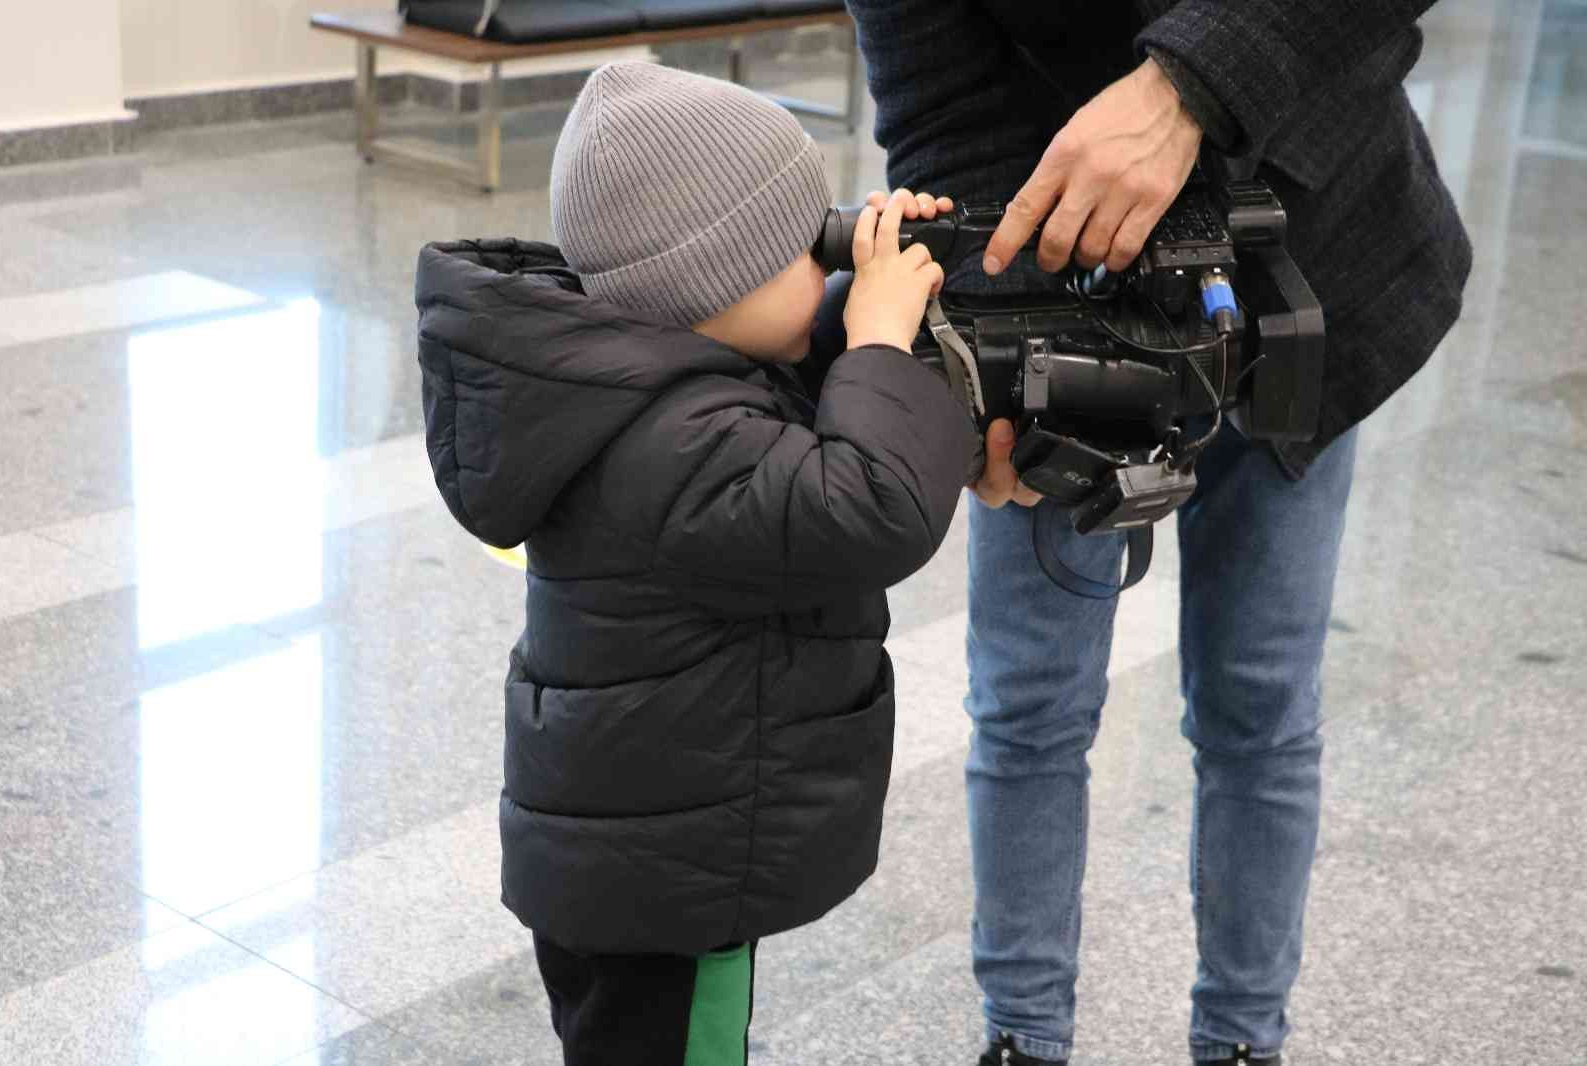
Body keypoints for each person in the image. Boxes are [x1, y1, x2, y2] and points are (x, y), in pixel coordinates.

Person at [842, 2, 1473, 1064]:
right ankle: (1023, 1038)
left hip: (1305, 242)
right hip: (1063, 289)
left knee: (1260, 698)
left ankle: (1241, 1041)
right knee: (1029, 699)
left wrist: (1187, 86)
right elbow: (943, 102)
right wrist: (1003, 350)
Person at [414, 61, 977, 1066]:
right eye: (803, 250)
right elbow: (867, 507)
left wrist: (863, 284)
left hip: (636, 852)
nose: (823, 267)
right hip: (665, 883)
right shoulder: (683, 449)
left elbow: (774, 399)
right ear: (713, 282)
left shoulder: (635, 389)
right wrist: (879, 343)